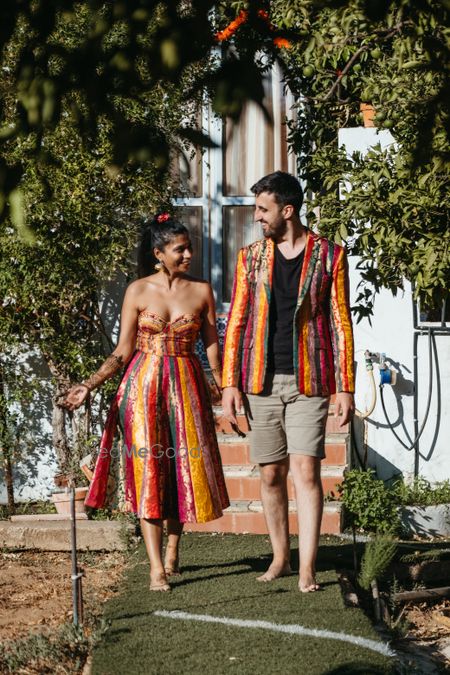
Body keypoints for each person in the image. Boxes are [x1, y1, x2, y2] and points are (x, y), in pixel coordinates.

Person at [62, 213, 229, 591]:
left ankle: (173, 547)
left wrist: (227, 392)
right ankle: (156, 568)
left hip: (187, 387)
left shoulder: (201, 290)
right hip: (142, 389)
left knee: (181, 470)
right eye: (180, 249)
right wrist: (89, 384)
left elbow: (213, 352)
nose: (188, 254)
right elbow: (123, 350)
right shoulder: (137, 290)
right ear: (159, 254)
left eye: (189, 247)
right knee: (149, 471)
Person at [221, 171, 354, 592]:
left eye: (263, 209)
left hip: (308, 380)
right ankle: (281, 556)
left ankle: (309, 567)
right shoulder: (250, 258)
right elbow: (237, 321)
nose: (257, 217)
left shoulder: (330, 256)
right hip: (260, 379)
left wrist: (345, 386)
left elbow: (341, 323)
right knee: (271, 474)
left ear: (287, 210)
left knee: (306, 471)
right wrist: (229, 384)